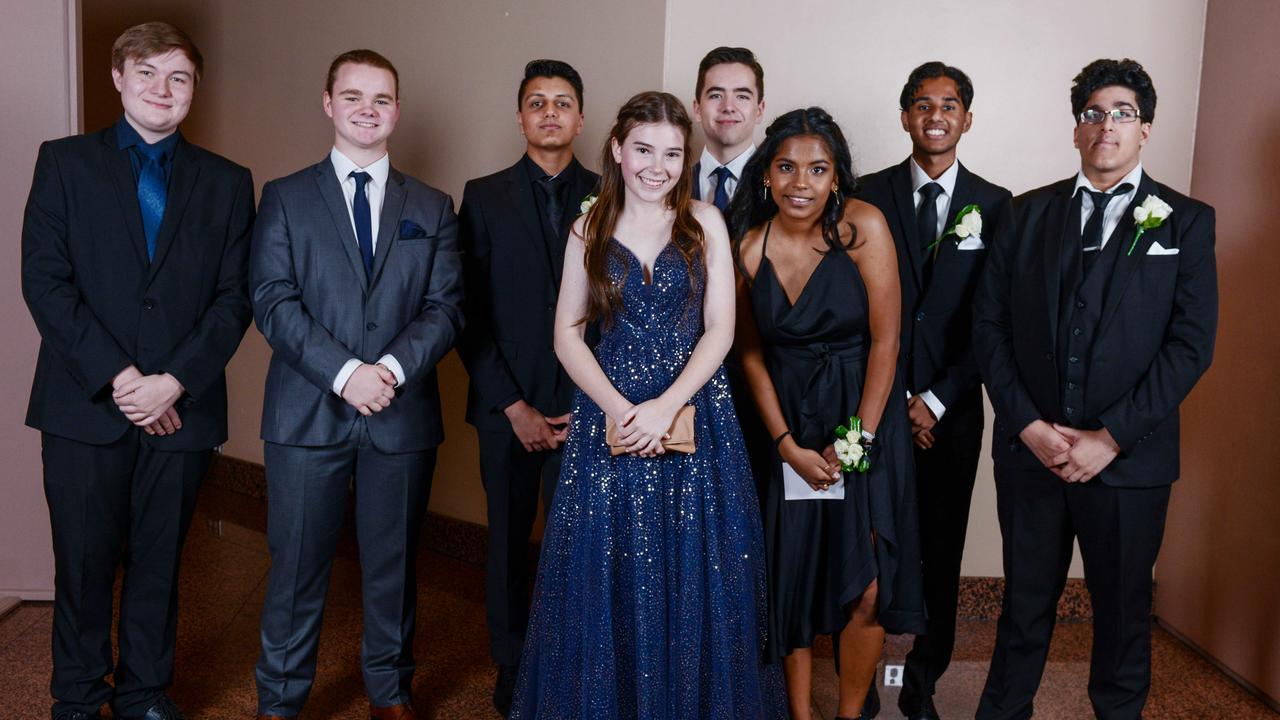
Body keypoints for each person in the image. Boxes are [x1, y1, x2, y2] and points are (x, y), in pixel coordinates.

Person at [509, 91, 786, 719]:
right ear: (617, 149)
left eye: (671, 153)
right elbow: (567, 334)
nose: (656, 165)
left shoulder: (704, 221)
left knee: (697, 571)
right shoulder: (589, 227)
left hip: (697, 415)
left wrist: (666, 406)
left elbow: (720, 329)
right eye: (643, 149)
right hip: (610, 423)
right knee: (608, 574)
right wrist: (618, 409)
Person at [21, 22, 254, 720]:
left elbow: (234, 297)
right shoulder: (63, 163)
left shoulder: (227, 182)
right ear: (119, 78)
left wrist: (172, 381)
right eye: (148, 73)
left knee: (160, 564)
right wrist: (124, 381)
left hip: (182, 408)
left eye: (179, 78)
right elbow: (46, 280)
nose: (163, 89)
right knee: (84, 567)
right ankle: (78, 695)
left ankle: (146, 695)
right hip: (84, 407)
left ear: (194, 92)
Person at [973, 59, 1217, 720]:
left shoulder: (1186, 223)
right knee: (1023, 606)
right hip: (1033, 455)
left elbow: (1191, 345)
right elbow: (989, 326)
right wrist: (1026, 424)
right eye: (1092, 113)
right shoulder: (1024, 215)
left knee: (1122, 614)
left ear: (1145, 130)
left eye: (1122, 113)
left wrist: (1110, 438)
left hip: (1130, 463)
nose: (1105, 125)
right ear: (1075, 130)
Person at [250, 49, 463, 720]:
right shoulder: (284, 198)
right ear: (328, 103)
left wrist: (389, 373)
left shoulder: (431, 206)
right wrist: (346, 376)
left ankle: (389, 692)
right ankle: (280, 700)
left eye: (381, 99)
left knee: (393, 566)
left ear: (396, 110)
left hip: (400, 415)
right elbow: (273, 299)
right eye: (353, 96)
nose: (367, 109)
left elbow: (447, 307)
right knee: (294, 569)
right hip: (305, 415)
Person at [729, 107, 926, 720]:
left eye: (817, 169)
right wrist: (786, 443)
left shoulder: (864, 227)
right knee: (790, 575)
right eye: (786, 167)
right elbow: (750, 354)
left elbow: (887, 343)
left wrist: (857, 443)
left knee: (865, 582)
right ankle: (800, 716)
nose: (800, 183)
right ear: (767, 175)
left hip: (860, 418)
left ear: (837, 177)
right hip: (789, 421)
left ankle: (848, 715)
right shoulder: (750, 246)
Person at [858, 62, 1012, 720]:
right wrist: (894, 402)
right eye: (922, 104)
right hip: (873, 401)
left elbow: (994, 319)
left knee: (941, 549)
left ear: (967, 119)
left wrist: (938, 399)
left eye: (949, 104)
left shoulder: (1000, 205)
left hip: (953, 413)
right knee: (865, 544)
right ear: (904, 116)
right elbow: (852, 306)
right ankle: (860, 685)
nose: (936, 115)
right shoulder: (865, 193)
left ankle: (921, 684)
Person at [456, 58, 599, 717]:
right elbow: (467, 309)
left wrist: (592, 405)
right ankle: (512, 667)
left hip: (586, 410)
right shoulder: (482, 196)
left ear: (579, 117)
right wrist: (509, 404)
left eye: (562, 102)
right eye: (536, 102)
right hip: (506, 408)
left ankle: (571, 666)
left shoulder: (613, 193)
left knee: (580, 545)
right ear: (520, 117)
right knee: (508, 543)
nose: (549, 112)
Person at [691, 46, 774, 510]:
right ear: (696, 104)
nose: (728, 107)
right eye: (715, 94)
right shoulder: (662, 183)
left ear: (759, 109)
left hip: (761, 381)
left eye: (741, 95)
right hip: (679, 382)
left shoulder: (786, 190)